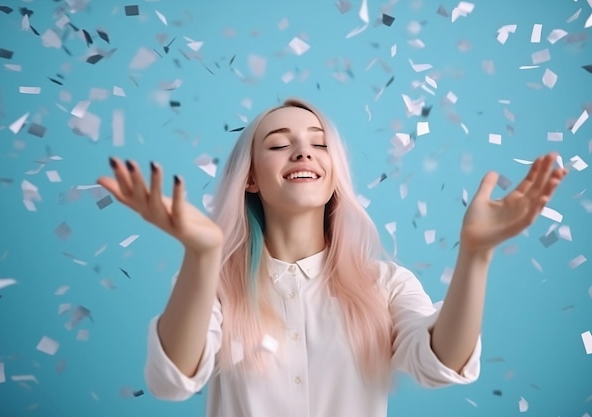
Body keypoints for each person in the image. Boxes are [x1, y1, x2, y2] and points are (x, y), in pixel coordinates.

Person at [96, 98, 567, 417]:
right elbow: (172, 380)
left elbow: (441, 363)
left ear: (333, 172)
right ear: (251, 179)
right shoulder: (215, 284)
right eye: (279, 144)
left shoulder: (385, 285)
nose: (303, 151)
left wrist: (476, 255)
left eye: (319, 143)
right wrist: (203, 255)